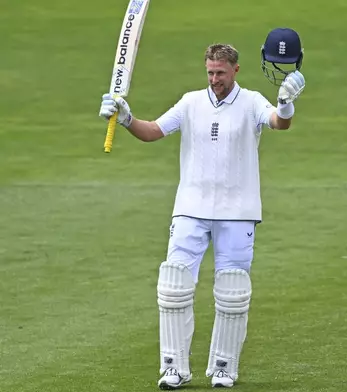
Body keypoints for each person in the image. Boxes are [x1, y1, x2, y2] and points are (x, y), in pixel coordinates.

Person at [98, 28, 306, 390]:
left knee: (232, 292)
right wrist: (127, 117)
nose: (214, 80)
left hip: (237, 211)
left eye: (220, 74)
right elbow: (153, 132)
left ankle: (223, 367)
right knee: (173, 286)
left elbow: (279, 123)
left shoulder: (253, 101)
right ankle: (173, 368)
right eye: (210, 72)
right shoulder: (191, 102)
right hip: (190, 209)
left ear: (235, 70)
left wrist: (286, 102)